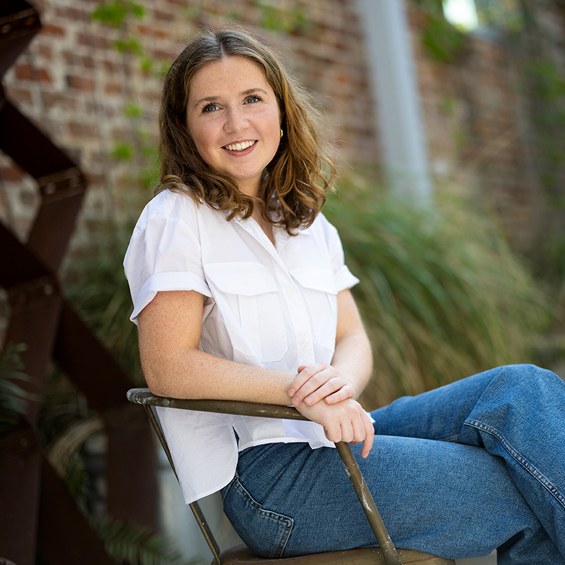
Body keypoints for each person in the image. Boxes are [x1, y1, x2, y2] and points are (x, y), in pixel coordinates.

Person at [124, 27, 565, 563]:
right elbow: (169, 366)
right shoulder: (175, 219)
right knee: (521, 485)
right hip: (271, 479)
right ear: (185, 126)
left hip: (346, 434)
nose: (236, 124)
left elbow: (351, 336)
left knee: (524, 389)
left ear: (282, 112)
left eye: (253, 99)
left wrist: (337, 388)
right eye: (211, 107)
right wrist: (298, 391)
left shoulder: (305, 222)